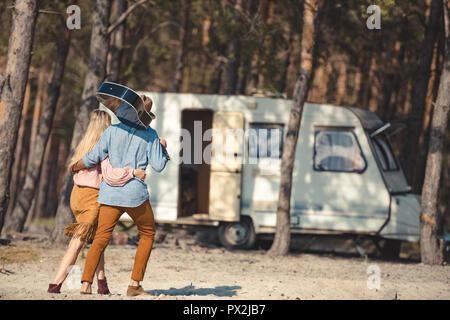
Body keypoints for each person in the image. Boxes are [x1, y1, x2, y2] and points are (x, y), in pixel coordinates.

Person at [72, 95, 168, 296]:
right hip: (135, 196)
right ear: (146, 116)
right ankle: (134, 284)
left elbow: (93, 157)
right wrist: (162, 148)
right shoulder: (150, 135)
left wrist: (76, 165)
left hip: (110, 195)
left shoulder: (112, 130)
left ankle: (86, 284)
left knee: (100, 238)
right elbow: (159, 166)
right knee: (148, 234)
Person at [48, 110, 147, 294]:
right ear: (106, 126)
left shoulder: (84, 144)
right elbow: (110, 174)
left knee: (98, 239)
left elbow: (75, 166)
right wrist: (132, 172)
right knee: (77, 243)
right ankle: (55, 284)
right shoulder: (106, 146)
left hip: (77, 196)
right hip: (93, 198)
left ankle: (102, 283)